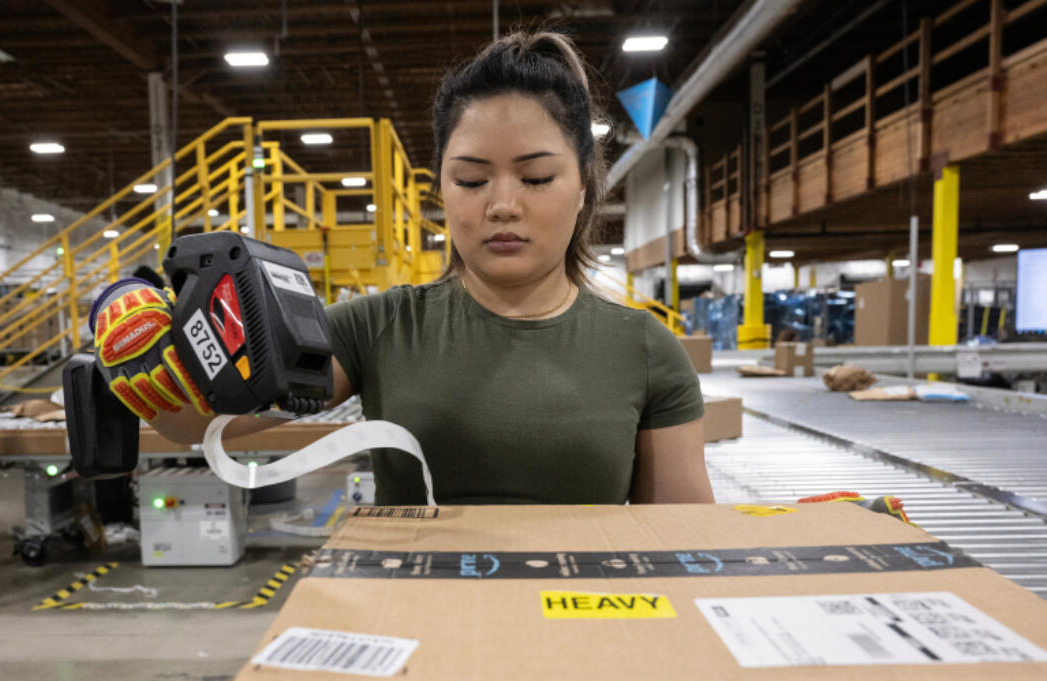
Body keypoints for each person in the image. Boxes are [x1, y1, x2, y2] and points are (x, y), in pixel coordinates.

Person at [90, 30, 713, 506]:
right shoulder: (379, 328)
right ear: (442, 189)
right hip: (418, 636)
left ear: (583, 187)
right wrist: (140, 348)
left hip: (584, 632)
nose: (501, 204)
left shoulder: (647, 351)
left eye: (537, 177)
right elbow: (192, 423)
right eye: (470, 179)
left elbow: (682, 539)